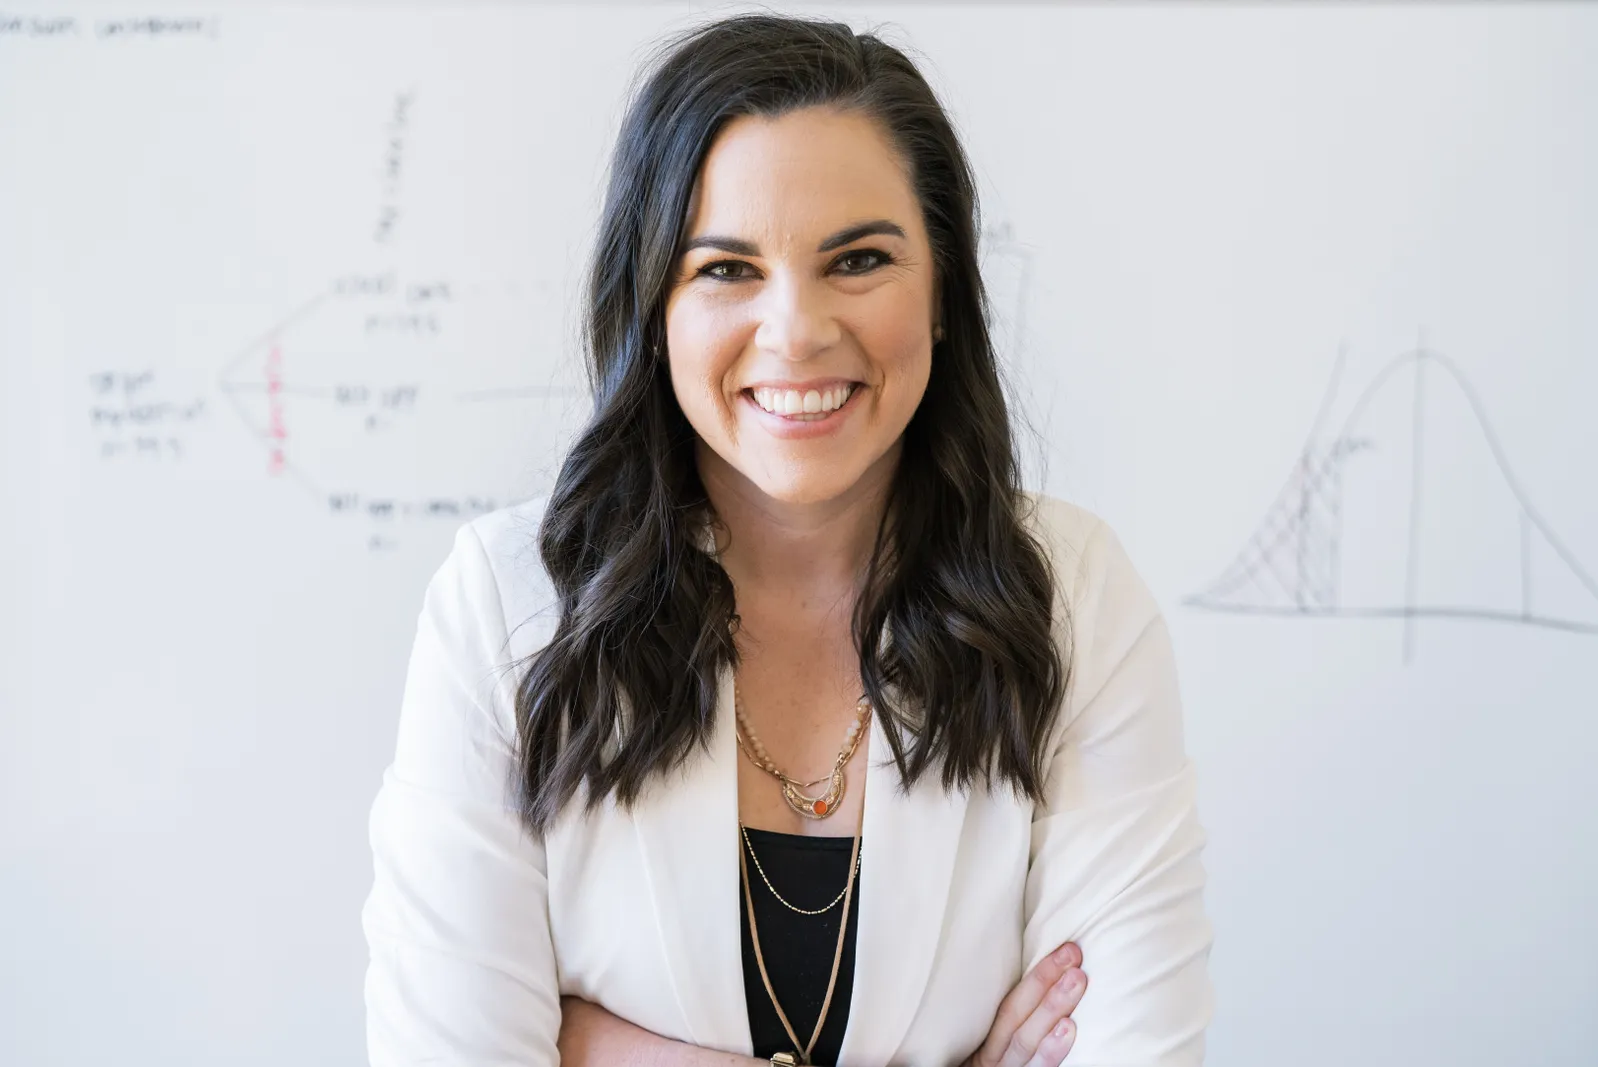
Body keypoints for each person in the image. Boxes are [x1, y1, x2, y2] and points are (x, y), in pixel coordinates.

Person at [361, 13, 1213, 1067]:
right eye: (724, 268)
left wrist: (606, 1050)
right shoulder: (503, 607)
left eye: (857, 259)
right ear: (653, 307)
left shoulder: (1073, 599)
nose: (797, 329)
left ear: (943, 291)